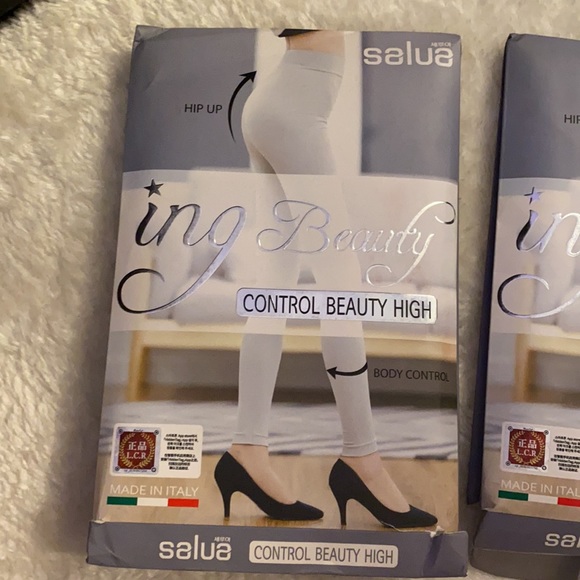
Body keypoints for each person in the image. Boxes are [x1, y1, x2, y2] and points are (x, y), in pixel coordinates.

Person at [214, 30, 437, 529]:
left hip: (278, 104)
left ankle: (247, 449)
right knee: (341, 281)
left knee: (276, 281)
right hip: (293, 111)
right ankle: (363, 458)